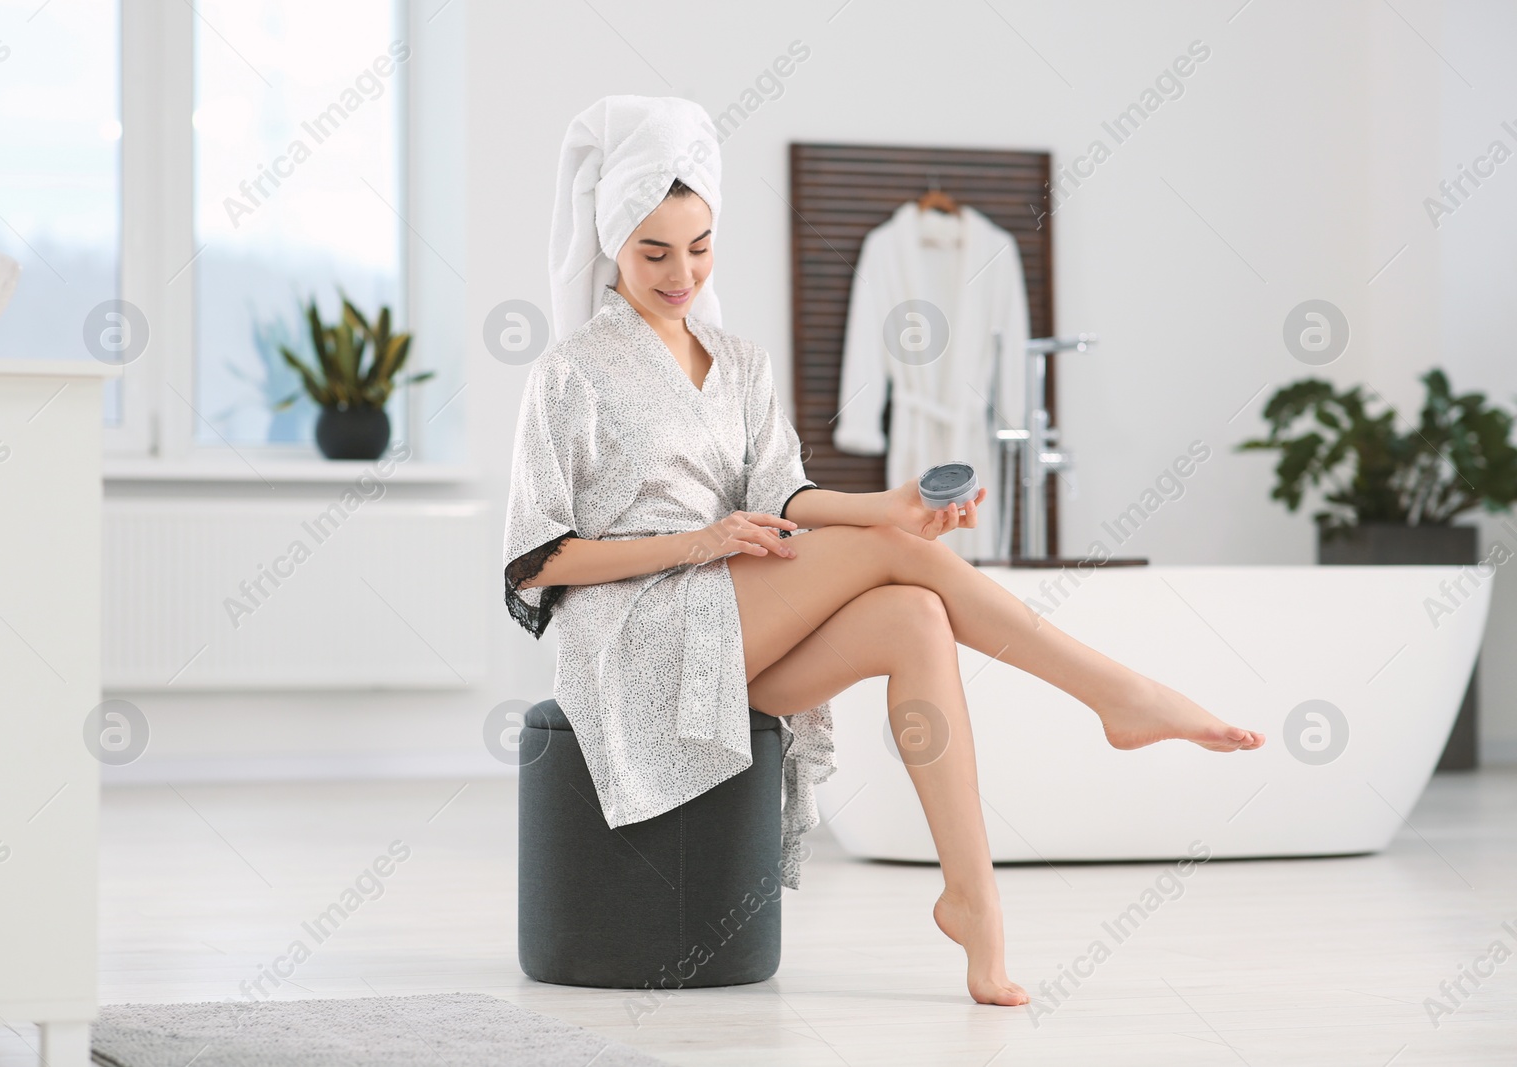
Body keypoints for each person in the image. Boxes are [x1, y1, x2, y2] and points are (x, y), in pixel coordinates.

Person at [502, 95, 1266, 1008]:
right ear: (613, 242)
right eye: (653, 251)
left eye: (701, 247)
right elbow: (536, 560)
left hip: (733, 632)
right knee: (883, 559)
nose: (682, 273)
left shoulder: (738, 359)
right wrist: (701, 540)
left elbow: (780, 489)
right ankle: (1118, 692)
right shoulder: (570, 371)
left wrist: (891, 504)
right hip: (632, 638)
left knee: (911, 613)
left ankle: (973, 903)